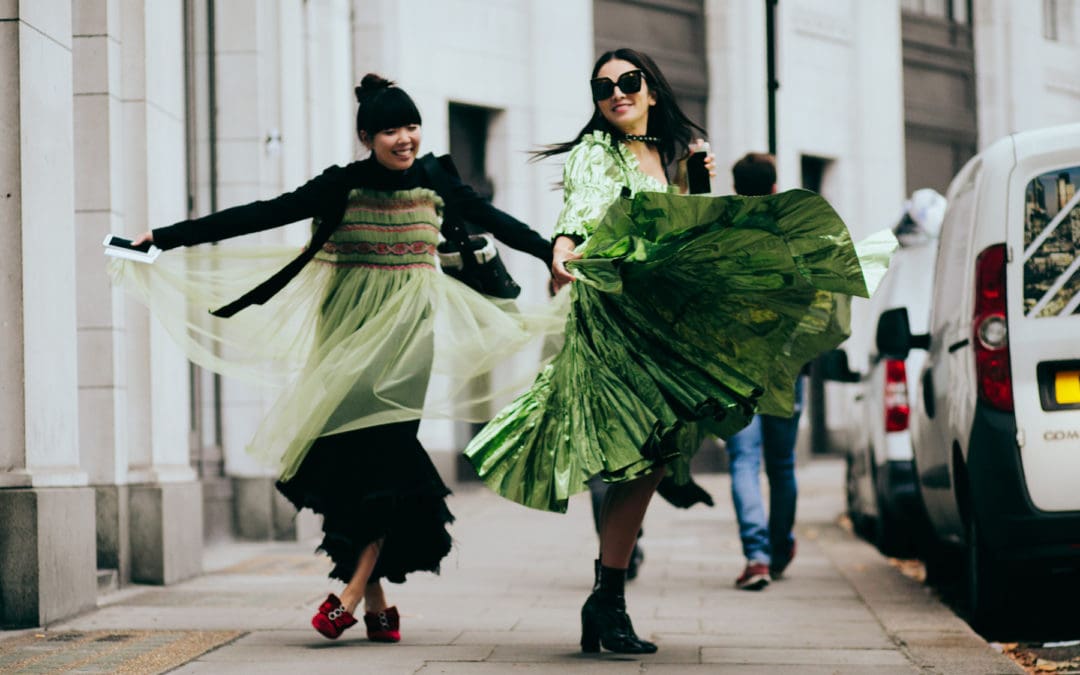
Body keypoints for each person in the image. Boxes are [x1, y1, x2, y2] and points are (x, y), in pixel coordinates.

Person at [463, 48, 895, 656]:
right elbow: (582, 207)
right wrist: (562, 245)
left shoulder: (659, 156)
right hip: (613, 319)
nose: (617, 93)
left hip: (655, 318)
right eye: (603, 87)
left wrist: (696, 181)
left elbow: (678, 228)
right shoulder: (597, 153)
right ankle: (607, 603)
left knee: (654, 458)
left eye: (629, 82)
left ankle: (605, 602)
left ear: (652, 91)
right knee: (640, 459)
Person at [120, 74, 556, 643]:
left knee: (389, 459)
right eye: (391, 129)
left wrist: (553, 253)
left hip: (406, 347)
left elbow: (501, 224)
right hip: (344, 344)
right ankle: (377, 605)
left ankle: (348, 597)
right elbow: (258, 214)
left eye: (412, 126)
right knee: (352, 467)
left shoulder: (435, 180)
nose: (405, 139)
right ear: (367, 136)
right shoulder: (342, 186)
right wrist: (163, 237)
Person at [723, 151, 803, 591]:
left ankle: (756, 556)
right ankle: (776, 547)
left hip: (736, 366)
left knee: (744, 461)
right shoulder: (793, 235)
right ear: (774, 189)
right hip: (786, 365)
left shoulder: (724, 236)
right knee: (782, 465)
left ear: (736, 189)